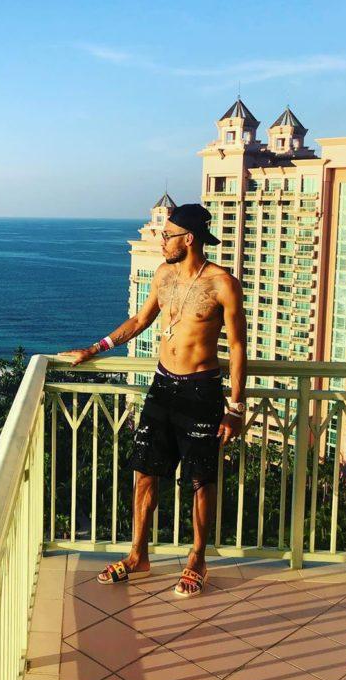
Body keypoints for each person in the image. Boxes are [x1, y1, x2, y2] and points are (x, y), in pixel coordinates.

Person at [58, 203, 247, 597]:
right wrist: (95, 348)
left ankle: (197, 558)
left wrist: (235, 408)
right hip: (162, 387)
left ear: (189, 239)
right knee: (145, 472)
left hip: (201, 390)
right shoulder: (163, 274)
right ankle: (137, 555)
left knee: (200, 478)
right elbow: (139, 321)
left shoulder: (223, 284)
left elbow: (237, 346)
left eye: (167, 235)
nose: (162, 241)